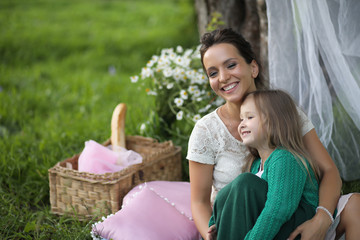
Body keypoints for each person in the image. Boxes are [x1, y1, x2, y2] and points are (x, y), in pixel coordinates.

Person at [187, 28, 360, 240]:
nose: (223, 77)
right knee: (241, 186)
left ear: (253, 68)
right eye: (213, 73)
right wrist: (212, 232)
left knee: (356, 205)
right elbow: (199, 202)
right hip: (237, 225)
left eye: (231, 65)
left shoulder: (283, 113)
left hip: (289, 218)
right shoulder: (206, 130)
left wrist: (321, 217)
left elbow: (329, 171)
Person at [207, 89, 320, 240]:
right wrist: (221, 222)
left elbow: (278, 210)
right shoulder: (256, 164)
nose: (242, 124)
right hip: (273, 227)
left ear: (274, 121)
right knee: (226, 193)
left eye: (249, 117)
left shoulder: (285, 159)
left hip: (298, 228)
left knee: (243, 183)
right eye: (241, 119)